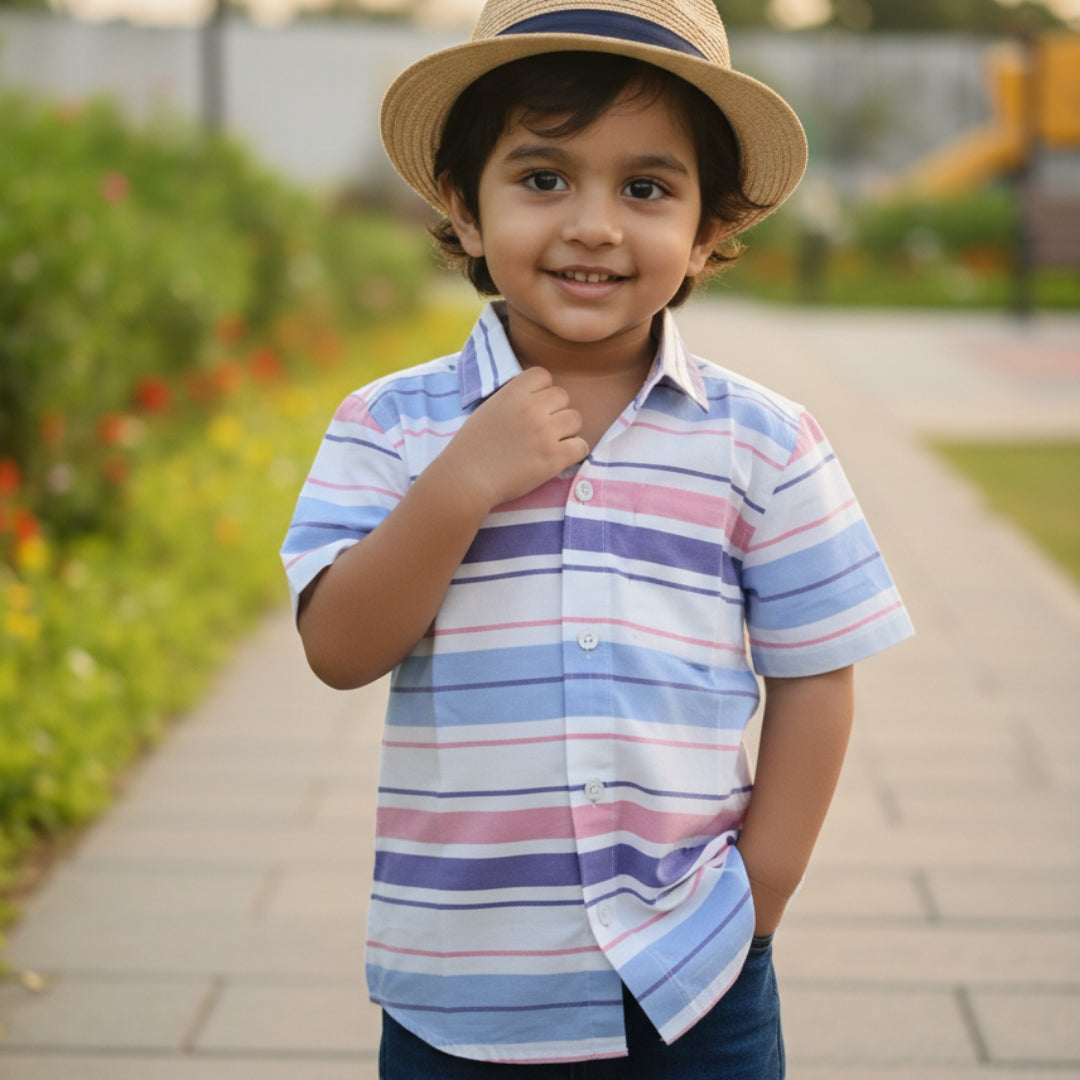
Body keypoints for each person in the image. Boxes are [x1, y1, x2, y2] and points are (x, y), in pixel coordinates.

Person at [282, 1, 914, 1075]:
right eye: (543, 178)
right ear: (463, 209)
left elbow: (817, 674)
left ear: (707, 228)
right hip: (460, 984)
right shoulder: (391, 426)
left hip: (695, 975)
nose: (593, 225)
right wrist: (460, 483)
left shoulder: (764, 442)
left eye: (647, 189)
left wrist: (758, 900)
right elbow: (339, 649)